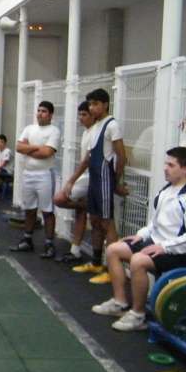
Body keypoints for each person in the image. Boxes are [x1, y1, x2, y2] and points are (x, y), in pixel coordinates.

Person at [92, 147, 186, 331]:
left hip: (181, 254)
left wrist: (164, 247)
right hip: (157, 244)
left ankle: (138, 316)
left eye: (171, 165)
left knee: (138, 260)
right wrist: (141, 235)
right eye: (166, 164)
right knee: (113, 249)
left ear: (185, 169)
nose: (165, 168)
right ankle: (120, 303)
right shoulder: (166, 191)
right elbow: (154, 224)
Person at [66, 88, 128, 283]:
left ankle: (111, 270)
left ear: (105, 104)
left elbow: (122, 157)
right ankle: (96, 262)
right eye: (90, 104)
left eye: (95, 104)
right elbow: (88, 158)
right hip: (94, 178)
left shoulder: (112, 125)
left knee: (107, 223)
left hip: (104, 178)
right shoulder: (96, 127)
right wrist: (72, 180)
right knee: (94, 220)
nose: (92, 108)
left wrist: (115, 182)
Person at [10, 101, 61, 259]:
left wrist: (28, 148)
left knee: (47, 210)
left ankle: (49, 244)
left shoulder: (54, 131)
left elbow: (46, 153)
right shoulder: (29, 129)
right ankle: (27, 240)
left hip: (45, 175)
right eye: (38, 110)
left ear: (50, 115)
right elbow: (19, 147)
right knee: (29, 209)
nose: (40, 113)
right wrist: (36, 147)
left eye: (44, 111)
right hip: (28, 174)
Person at [53, 102, 95, 263]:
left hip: (94, 178)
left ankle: (88, 205)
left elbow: (87, 160)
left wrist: (72, 180)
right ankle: (75, 250)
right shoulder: (86, 132)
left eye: (84, 114)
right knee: (80, 210)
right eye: (80, 115)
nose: (80, 118)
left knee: (59, 199)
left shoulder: (96, 132)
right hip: (86, 176)